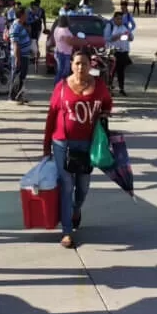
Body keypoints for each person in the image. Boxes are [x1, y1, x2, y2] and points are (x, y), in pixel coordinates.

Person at [42, 48, 113, 249]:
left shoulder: (99, 86)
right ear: (71, 64)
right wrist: (46, 145)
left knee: (82, 187)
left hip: (87, 145)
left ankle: (76, 209)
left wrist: (105, 114)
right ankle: (66, 232)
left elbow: (108, 103)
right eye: (77, 63)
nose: (80, 67)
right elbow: (51, 116)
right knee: (66, 186)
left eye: (84, 63)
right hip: (62, 143)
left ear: (91, 65)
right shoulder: (62, 87)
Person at [104, 11, 133, 96]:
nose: (120, 20)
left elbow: (131, 38)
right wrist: (118, 36)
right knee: (111, 72)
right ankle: (109, 89)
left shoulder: (125, 26)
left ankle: (121, 89)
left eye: (121, 19)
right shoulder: (110, 26)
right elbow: (107, 38)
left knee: (121, 71)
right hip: (113, 52)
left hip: (123, 52)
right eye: (118, 19)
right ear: (114, 19)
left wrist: (128, 35)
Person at [9, 7, 32, 104]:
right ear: (21, 15)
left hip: (24, 55)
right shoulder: (16, 26)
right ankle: (14, 96)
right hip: (19, 55)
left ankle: (19, 95)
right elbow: (15, 44)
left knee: (22, 76)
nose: (27, 16)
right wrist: (17, 58)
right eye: (25, 14)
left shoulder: (20, 25)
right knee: (17, 75)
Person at [51, 15, 81, 82]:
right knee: (64, 73)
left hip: (59, 51)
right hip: (64, 53)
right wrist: (80, 41)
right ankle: (59, 87)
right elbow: (69, 42)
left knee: (60, 71)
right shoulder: (64, 31)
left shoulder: (57, 28)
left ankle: (58, 87)